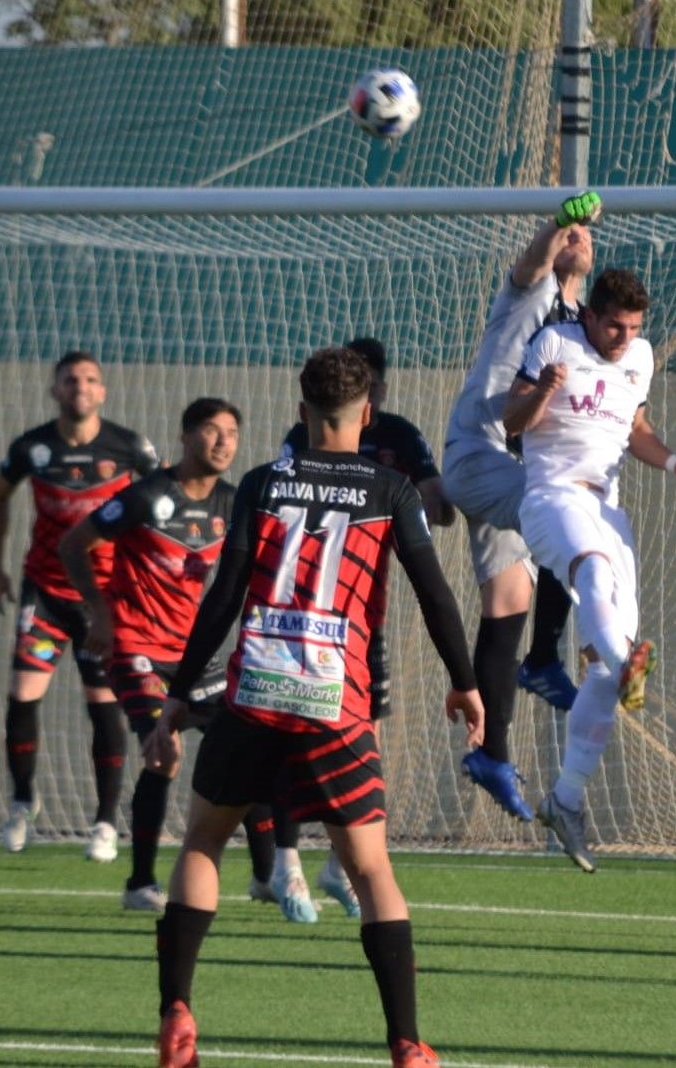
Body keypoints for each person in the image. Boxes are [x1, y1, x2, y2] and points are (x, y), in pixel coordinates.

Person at [146, 347, 483, 1068]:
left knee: (204, 841)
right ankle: (406, 1042)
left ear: (301, 414)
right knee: (369, 871)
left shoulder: (264, 483)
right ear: (368, 413)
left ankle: (178, 1008)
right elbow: (434, 592)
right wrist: (466, 679)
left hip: (255, 694)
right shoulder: (391, 489)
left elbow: (225, 594)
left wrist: (177, 697)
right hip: (336, 701)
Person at [505, 267, 676, 872]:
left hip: (607, 507)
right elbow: (511, 423)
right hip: (550, 496)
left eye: (633, 328)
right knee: (593, 574)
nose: (624, 337)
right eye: (614, 326)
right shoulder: (554, 343)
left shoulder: (641, 356)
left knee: (599, 670)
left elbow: (636, 429)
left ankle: (566, 799)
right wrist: (543, 389)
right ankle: (629, 662)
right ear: (590, 317)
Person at [59, 397, 277, 912]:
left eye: (232, 433)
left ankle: (268, 878)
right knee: (165, 754)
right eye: (211, 430)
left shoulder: (233, 502)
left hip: (196, 657)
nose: (223, 442)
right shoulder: (146, 496)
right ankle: (139, 885)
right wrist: (101, 613)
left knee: (245, 747)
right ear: (184, 436)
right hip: (136, 651)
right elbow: (73, 544)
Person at [267, 335, 449, 923]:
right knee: (292, 732)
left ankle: (337, 864)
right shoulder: (300, 445)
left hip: (363, 621)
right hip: (299, 621)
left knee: (361, 734)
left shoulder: (399, 437)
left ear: (378, 395)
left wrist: (417, 499)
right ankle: (286, 861)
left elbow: (438, 504)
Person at [441, 191, 600, 823]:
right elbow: (533, 262)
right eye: (574, 238)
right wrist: (557, 225)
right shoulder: (530, 296)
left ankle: (491, 755)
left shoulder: (580, 322)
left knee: (508, 605)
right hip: (479, 454)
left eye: (586, 240)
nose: (579, 244)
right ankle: (544, 658)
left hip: (517, 472)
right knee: (563, 515)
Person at [0, 351, 160, 859]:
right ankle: (22, 801)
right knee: (22, 694)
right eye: (69, 380)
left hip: (102, 602)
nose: (79, 387)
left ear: (102, 391)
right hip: (45, 593)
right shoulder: (33, 447)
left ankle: (105, 823)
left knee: (103, 706)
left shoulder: (130, 448)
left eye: (89, 380)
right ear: (55, 390)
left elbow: (162, 502)